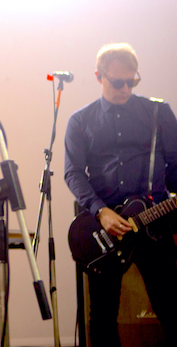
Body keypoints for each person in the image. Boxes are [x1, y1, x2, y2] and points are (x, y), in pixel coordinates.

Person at [64, 43, 177, 347]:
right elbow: (73, 173)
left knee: (173, 307)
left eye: (132, 81)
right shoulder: (80, 121)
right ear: (99, 76)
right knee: (101, 316)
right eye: (118, 82)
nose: (126, 88)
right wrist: (101, 211)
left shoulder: (158, 112)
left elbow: (176, 165)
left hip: (154, 222)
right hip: (105, 229)